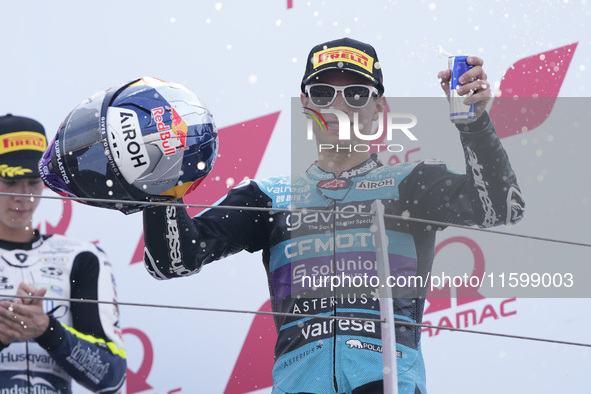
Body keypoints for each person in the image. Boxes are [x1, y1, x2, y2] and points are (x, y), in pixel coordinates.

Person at [141, 38, 525, 394]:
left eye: (357, 94)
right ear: (307, 104)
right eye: (325, 93)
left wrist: (473, 124)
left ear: (379, 107)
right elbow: (172, 261)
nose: (339, 106)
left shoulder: (411, 183)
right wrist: (161, 181)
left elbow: (503, 206)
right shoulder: (268, 196)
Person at [0, 114, 126, 393]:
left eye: (33, 181)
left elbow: (111, 379)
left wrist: (47, 331)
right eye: (10, 181)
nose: (24, 195)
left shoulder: (81, 258)